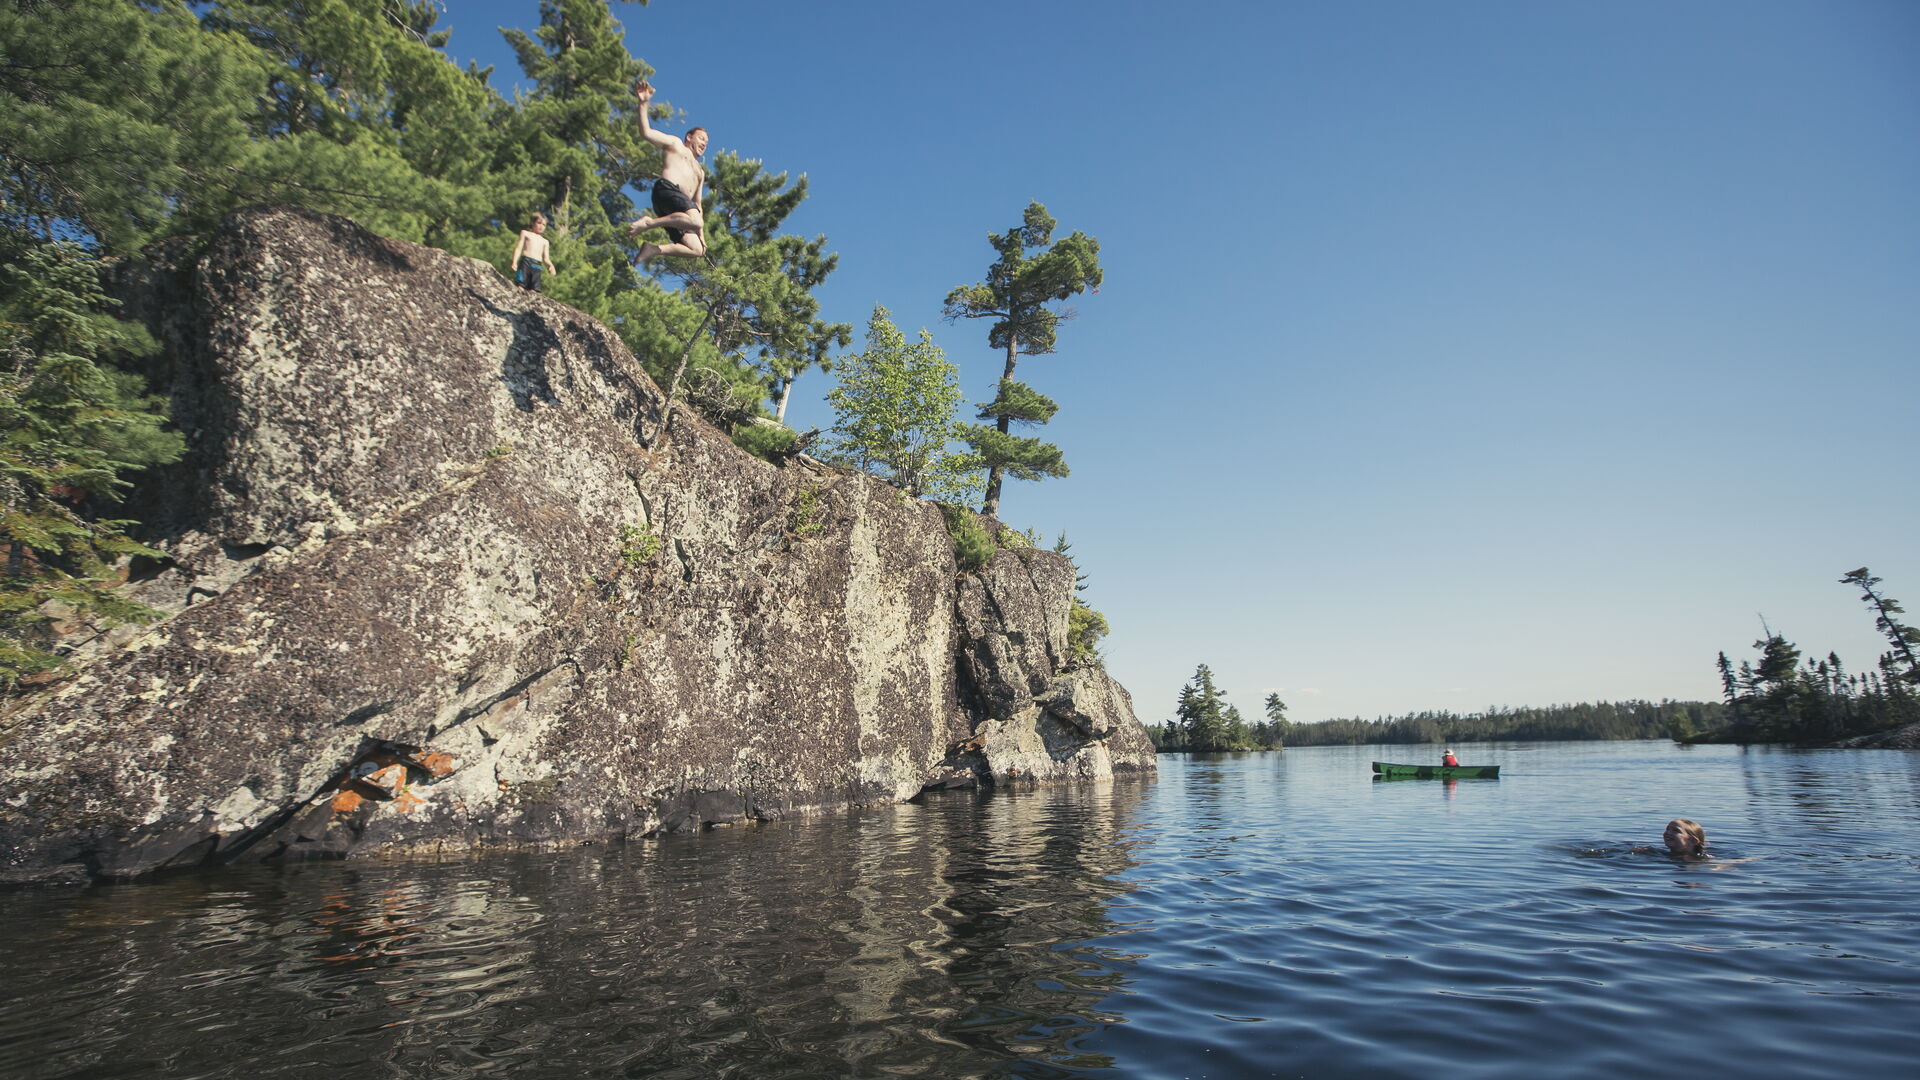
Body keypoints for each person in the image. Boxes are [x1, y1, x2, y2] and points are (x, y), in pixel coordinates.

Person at [626, 80, 709, 261]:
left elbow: (697, 204)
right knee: (695, 220)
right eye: (701, 138)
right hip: (667, 190)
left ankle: (653, 249)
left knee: (697, 250)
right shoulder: (676, 144)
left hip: (678, 210)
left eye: (706, 142)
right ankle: (649, 223)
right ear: (689, 137)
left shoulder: (700, 172)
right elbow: (645, 132)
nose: (704, 143)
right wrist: (643, 103)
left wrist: (701, 236)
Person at [509, 212, 556, 291]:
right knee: (520, 285)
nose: (541, 226)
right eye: (539, 223)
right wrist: (514, 262)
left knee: (534, 289)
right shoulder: (526, 233)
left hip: (537, 265)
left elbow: (546, 258)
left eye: (544, 225)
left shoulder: (545, 242)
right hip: (526, 262)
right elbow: (519, 248)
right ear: (533, 223)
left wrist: (551, 266)